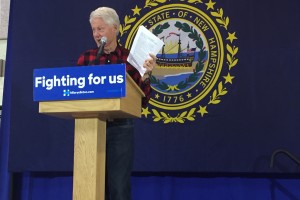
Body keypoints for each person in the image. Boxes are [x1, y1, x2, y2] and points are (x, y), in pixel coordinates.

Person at [77, 6, 156, 200]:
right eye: (94, 29)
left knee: (118, 188)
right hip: (89, 127)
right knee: (90, 186)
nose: (96, 34)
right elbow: (75, 93)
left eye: (101, 29)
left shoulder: (131, 59)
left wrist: (147, 75)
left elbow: (142, 101)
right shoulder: (87, 59)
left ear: (115, 29)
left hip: (120, 128)